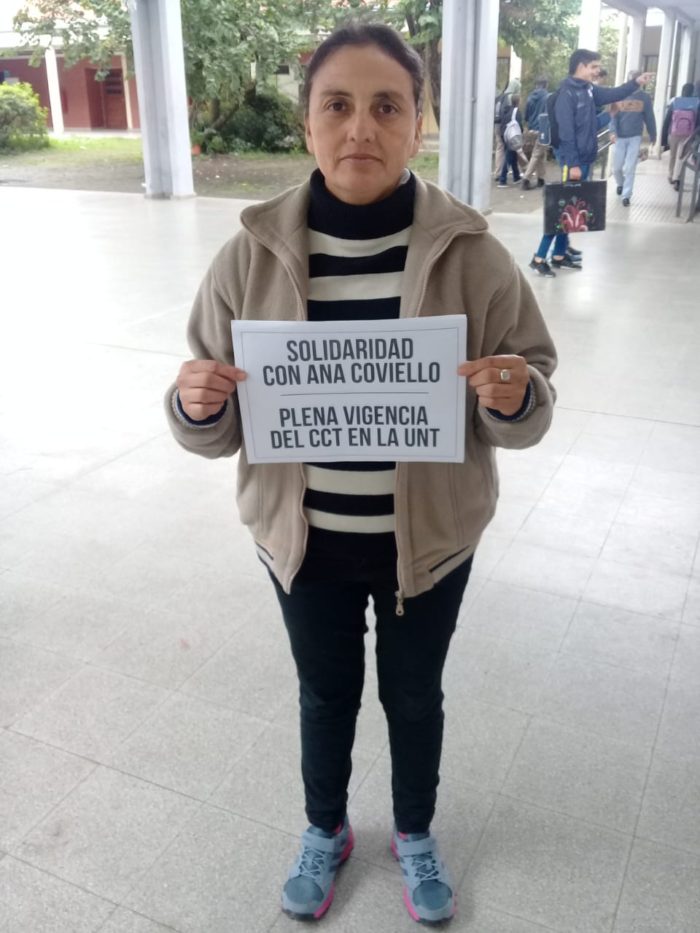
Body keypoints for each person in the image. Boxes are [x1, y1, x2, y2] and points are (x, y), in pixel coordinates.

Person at [165, 22, 557, 926]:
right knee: (324, 693)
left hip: (431, 542)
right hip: (303, 542)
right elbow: (208, 413)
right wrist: (196, 404)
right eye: (337, 105)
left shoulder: (473, 253)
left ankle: (413, 831)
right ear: (307, 123)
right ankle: (326, 827)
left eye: (386, 107)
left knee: (415, 696)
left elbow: (533, 387)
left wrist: (514, 394)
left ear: (418, 123)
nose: (360, 129)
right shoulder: (249, 253)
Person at [529, 49, 653, 277]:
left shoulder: (588, 90)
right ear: (581, 66)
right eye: (594, 66)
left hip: (584, 159)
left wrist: (635, 84)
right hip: (573, 161)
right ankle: (538, 258)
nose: (598, 71)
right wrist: (573, 164)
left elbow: (606, 104)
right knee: (562, 210)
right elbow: (566, 133)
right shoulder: (567, 94)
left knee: (572, 209)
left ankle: (559, 255)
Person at [610, 71, 656, 206]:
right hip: (619, 137)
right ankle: (621, 184)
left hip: (635, 137)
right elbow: (612, 116)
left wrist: (653, 134)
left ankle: (626, 195)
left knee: (630, 167)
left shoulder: (644, 98)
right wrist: (612, 132)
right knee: (616, 168)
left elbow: (649, 117)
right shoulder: (619, 95)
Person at [661, 82, 700, 189]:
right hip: (688, 134)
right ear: (692, 92)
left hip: (674, 133)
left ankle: (671, 175)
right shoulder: (697, 102)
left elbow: (667, 120)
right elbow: (698, 121)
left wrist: (663, 138)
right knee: (682, 157)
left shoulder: (675, 101)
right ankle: (677, 178)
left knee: (673, 155)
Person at [521, 77, 549, 190]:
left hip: (531, 129)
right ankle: (526, 179)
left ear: (536, 85)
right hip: (542, 129)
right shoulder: (547, 97)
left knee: (540, 154)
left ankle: (541, 179)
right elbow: (548, 114)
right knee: (537, 154)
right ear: (546, 85)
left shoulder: (530, 98)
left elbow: (526, 116)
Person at [493, 77, 520, 180]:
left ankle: (498, 172)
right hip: (505, 126)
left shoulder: (501, 96)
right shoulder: (510, 97)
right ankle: (504, 174)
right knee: (510, 148)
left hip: (496, 124)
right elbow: (508, 114)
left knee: (500, 147)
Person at [497, 93, 524, 187]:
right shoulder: (517, 111)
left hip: (504, 134)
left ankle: (516, 176)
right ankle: (502, 179)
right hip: (512, 137)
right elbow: (519, 125)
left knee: (513, 155)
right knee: (509, 156)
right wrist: (521, 134)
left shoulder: (507, 110)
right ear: (518, 101)